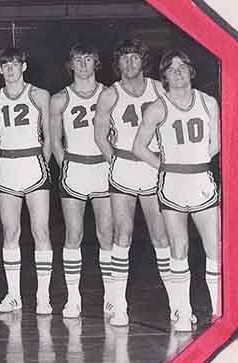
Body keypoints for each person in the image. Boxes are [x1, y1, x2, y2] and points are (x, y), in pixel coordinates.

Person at [133, 49, 220, 331]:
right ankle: (182, 311)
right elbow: (138, 148)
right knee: (178, 248)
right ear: (164, 76)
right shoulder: (158, 107)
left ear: (191, 71)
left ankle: (219, 311)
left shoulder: (208, 102)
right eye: (171, 69)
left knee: (214, 248)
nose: (178, 72)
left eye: (183, 67)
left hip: (201, 182)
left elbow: (216, 142)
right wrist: (166, 165)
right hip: (172, 185)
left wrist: (198, 160)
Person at [92, 39, 173, 326]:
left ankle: (177, 305)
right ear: (118, 63)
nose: (129, 63)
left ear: (143, 61)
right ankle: (118, 303)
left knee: (161, 237)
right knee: (122, 235)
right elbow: (100, 135)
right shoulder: (110, 94)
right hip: (124, 167)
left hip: (153, 167)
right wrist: (113, 160)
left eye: (134, 58)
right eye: (124, 58)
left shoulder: (159, 89)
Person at [0, 48, 53, 314]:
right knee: (11, 232)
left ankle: (43, 297)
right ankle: (13, 295)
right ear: (0, 69)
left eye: (15, 64)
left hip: (34, 164)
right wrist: (6, 162)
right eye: (5, 65)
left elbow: (48, 134)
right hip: (8, 167)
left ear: (24, 66)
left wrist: (42, 164)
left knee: (41, 231)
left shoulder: (39, 95)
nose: (10, 69)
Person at [48, 43, 113, 319]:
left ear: (96, 62)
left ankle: (112, 296)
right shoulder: (60, 98)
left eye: (89, 58)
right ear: (71, 64)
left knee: (106, 236)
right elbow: (53, 140)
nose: (83, 64)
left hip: (103, 169)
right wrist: (66, 165)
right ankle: (73, 298)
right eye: (78, 59)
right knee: (73, 235)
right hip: (75, 168)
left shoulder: (110, 94)